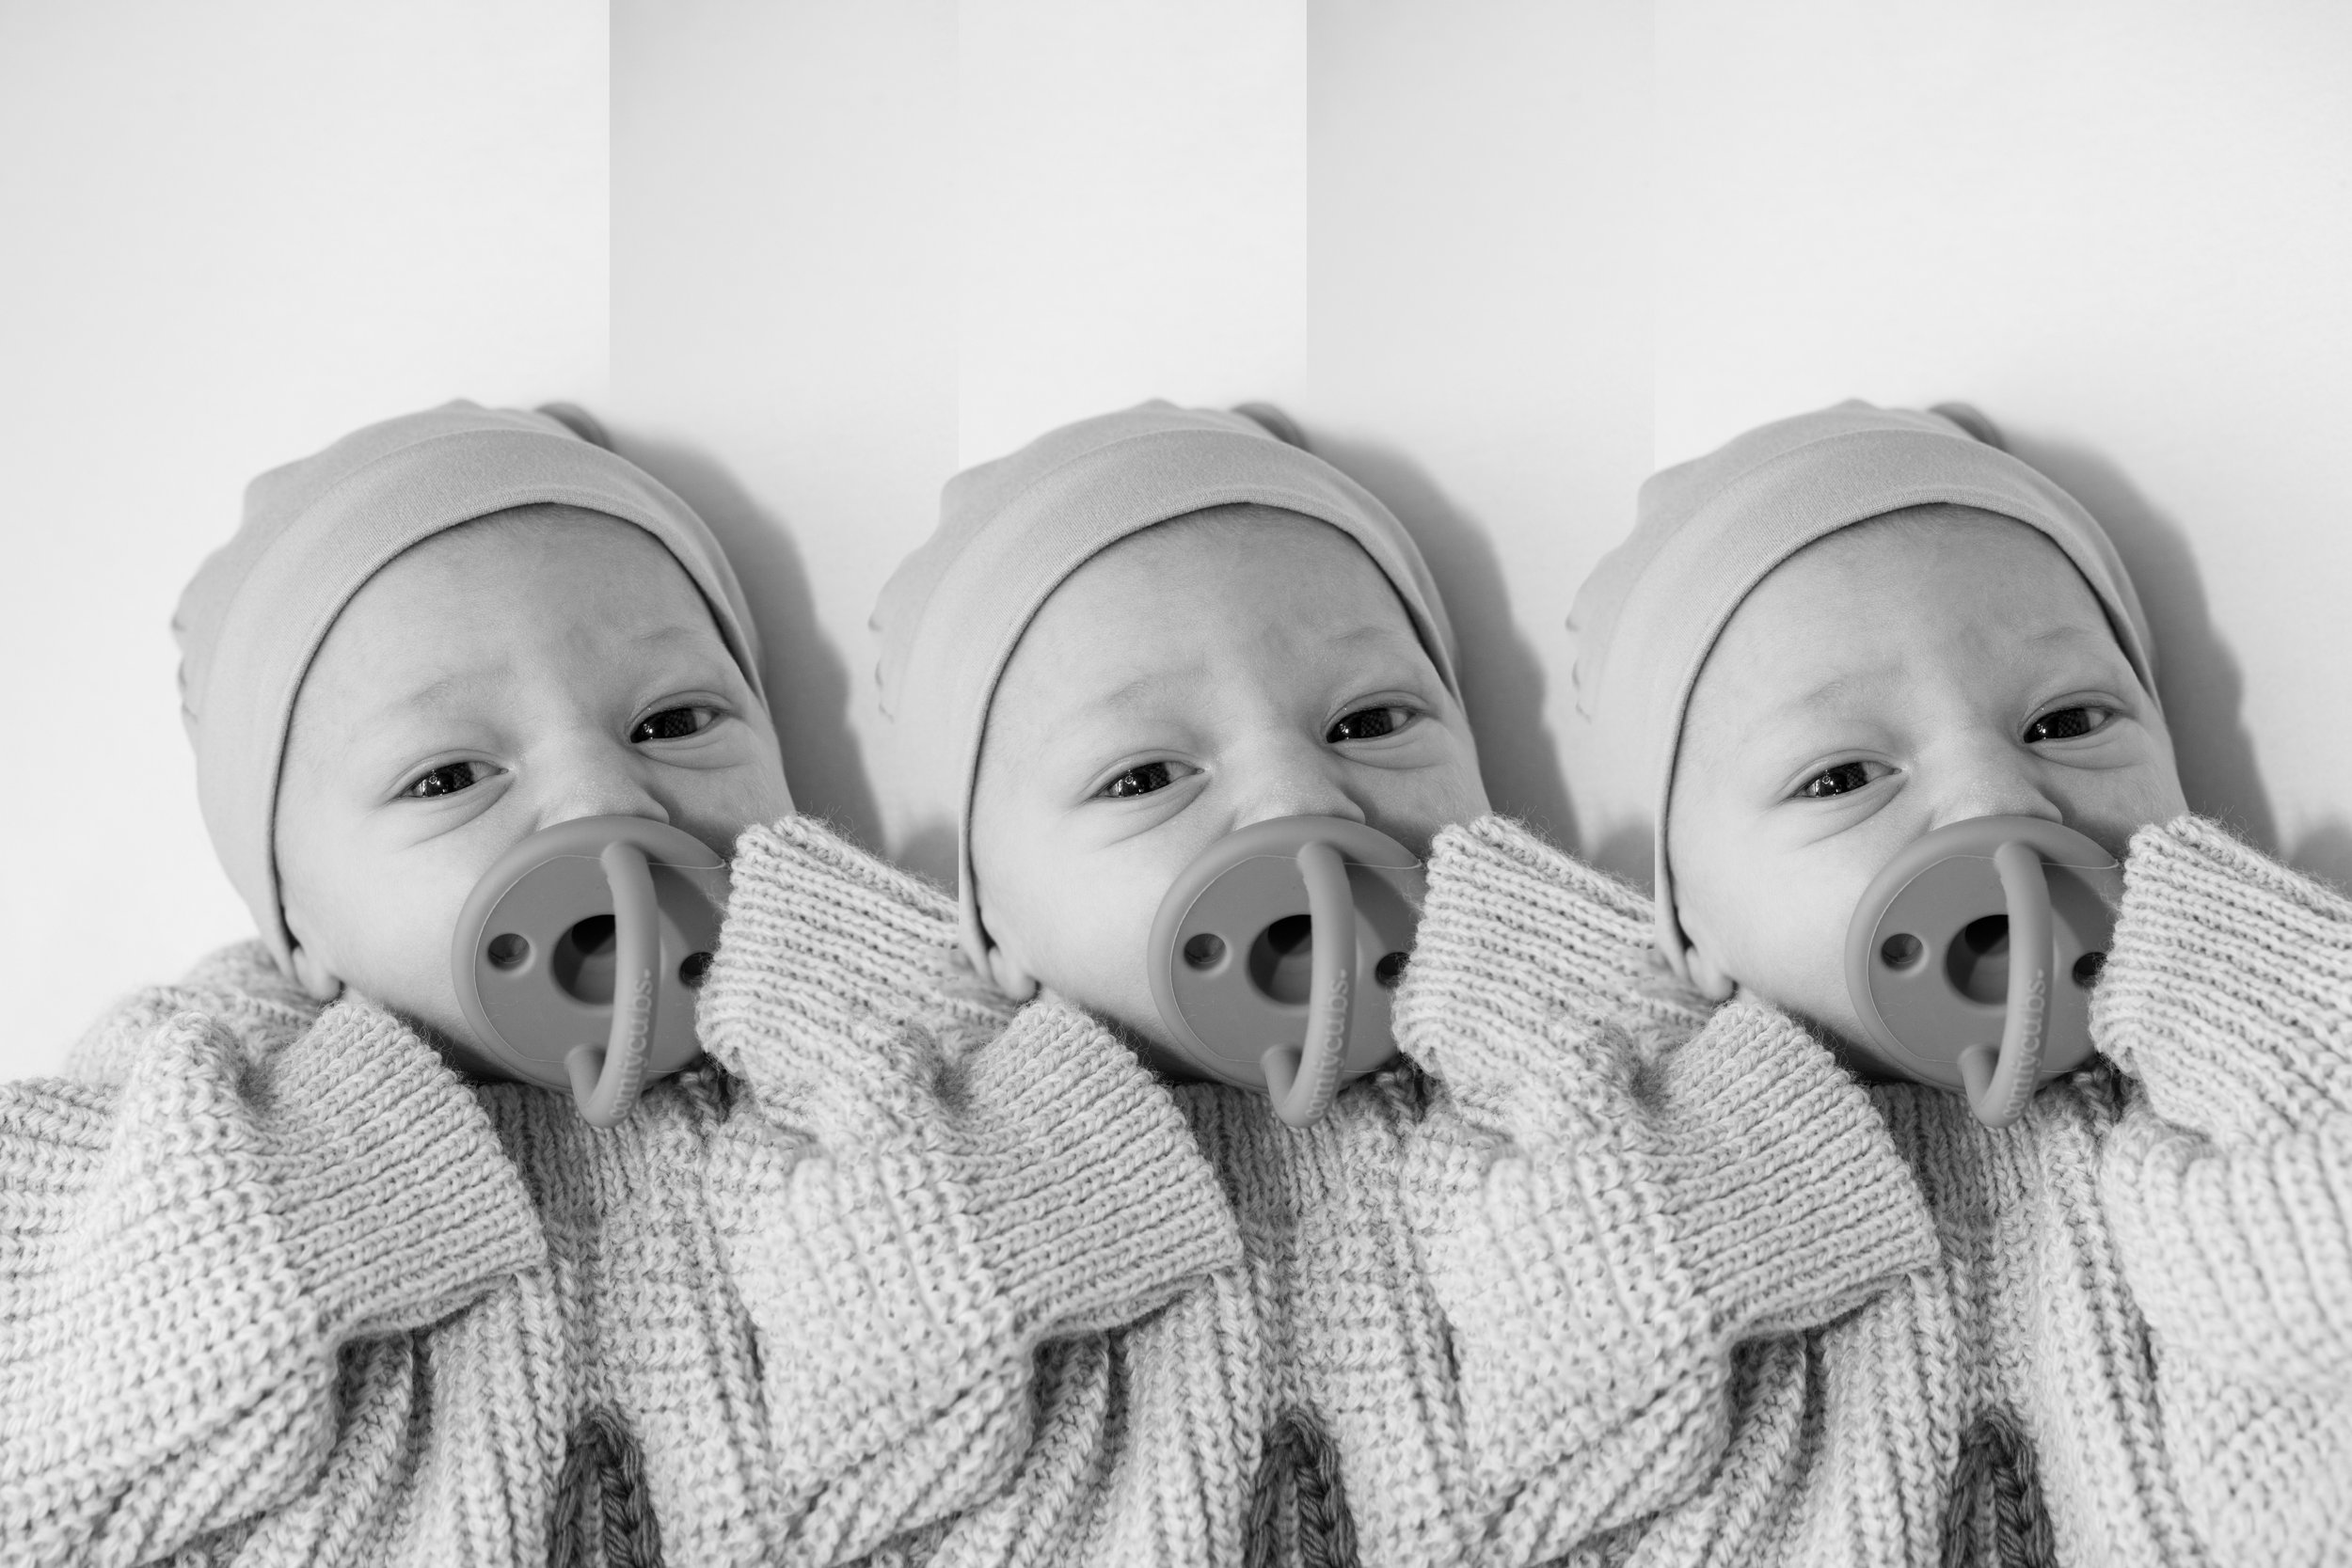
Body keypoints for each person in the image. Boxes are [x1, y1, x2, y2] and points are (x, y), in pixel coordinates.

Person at [0, 402, 1236, 1565]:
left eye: (675, 721)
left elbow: (1043, 1385)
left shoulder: (882, 1053)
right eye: (448, 776)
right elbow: (59, 1429)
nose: (604, 800)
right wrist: (356, 1135)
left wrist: (841, 992)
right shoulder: (213, 1083)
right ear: (295, 925)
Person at [865, 401, 1926, 1566]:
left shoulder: (1579, 1078)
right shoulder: (952, 1148)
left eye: (1369, 719)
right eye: (1143, 776)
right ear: (986, 915)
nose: (1299, 803)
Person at [1413, 399, 2346, 1563]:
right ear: (1687, 922)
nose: (1995, 804)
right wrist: (1749, 1147)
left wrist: (2230, 987)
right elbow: (1540, 1443)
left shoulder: (2237, 1095)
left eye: (2066, 720)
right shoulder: (1643, 1133)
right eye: (1841, 775)